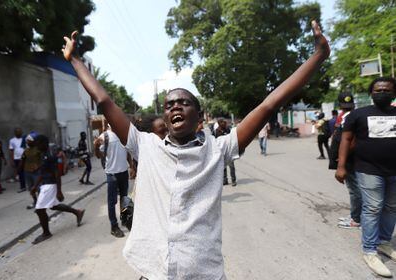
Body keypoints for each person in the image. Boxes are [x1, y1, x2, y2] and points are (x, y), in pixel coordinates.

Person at [62, 20, 330, 279]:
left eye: (183, 102)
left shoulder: (219, 150)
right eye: (169, 105)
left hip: (202, 272)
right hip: (153, 270)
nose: (175, 107)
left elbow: (268, 105)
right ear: (165, 120)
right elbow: (104, 100)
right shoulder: (146, 146)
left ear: (199, 117)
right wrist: (74, 60)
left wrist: (318, 56)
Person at [335, 77, 396, 277]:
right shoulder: (359, 114)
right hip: (368, 169)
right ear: (371, 93)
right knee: (373, 207)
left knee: (391, 207)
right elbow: (345, 140)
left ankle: (384, 242)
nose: (382, 93)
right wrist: (341, 166)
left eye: (386, 90)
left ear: (393, 92)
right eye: (378, 90)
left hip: (394, 171)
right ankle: (369, 251)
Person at [30, 135, 85, 244]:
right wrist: (35, 186)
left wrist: (59, 191)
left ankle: (46, 233)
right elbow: (42, 172)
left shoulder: (50, 156)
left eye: (37, 144)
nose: (36, 146)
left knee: (40, 210)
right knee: (53, 206)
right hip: (45, 184)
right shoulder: (43, 155)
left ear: (43, 143)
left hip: (50, 185)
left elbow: (57, 174)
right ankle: (77, 212)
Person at [329, 93, 361, 229]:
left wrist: (343, 157)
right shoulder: (345, 117)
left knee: (355, 190)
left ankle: (356, 219)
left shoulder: (351, 118)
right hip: (348, 159)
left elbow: (352, 140)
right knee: (354, 189)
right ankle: (356, 215)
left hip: (350, 160)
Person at [94, 125, 130, 238]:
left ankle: (125, 220)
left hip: (124, 172)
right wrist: (96, 147)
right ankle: (114, 227)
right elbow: (98, 156)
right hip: (112, 174)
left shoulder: (123, 133)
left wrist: (132, 167)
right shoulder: (104, 137)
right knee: (112, 201)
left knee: (124, 199)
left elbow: (127, 151)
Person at [20, 132, 42, 209]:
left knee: (39, 188)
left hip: (37, 172)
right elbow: (23, 160)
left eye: (29, 140)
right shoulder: (26, 150)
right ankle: (35, 201)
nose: (27, 142)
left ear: (34, 141)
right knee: (30, 188)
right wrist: (20, 169)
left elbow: (43, 160)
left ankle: (40, 202)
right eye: (27, 140)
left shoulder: (39, 149)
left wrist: (38, 166)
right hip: (27, 171)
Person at [215, 119, 237, 186]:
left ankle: (233, 180)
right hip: (221, 151)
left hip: (229, 150)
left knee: (231, 166)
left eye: (225, 123)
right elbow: (216, 141)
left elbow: (231, 137)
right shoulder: (217, 131)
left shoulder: (227, 129)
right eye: (223, 123)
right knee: (223, 167)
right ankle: (225, 180)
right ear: (219, 124)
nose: (224, 124)